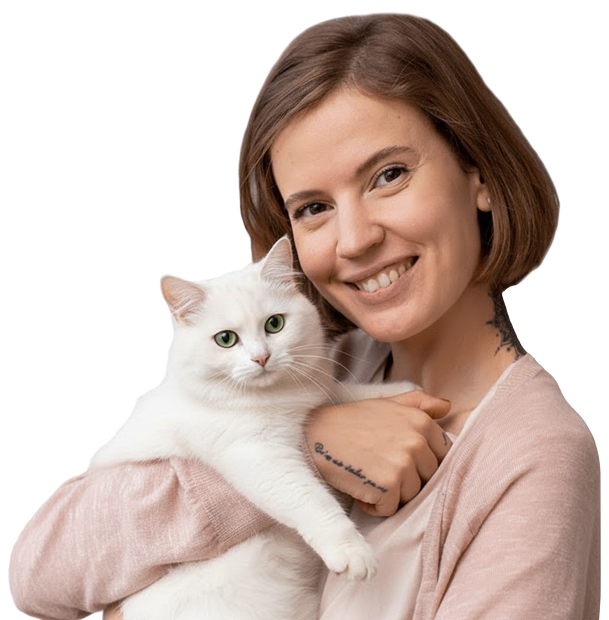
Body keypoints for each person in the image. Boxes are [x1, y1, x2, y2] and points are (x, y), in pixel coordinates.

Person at [9, 13, 599, 620]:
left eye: (389, 175)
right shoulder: (315, 366)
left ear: (480, 174)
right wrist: (306, 443)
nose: (355, 240)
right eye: (314, 207)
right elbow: (38, 576)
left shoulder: (533, 456)